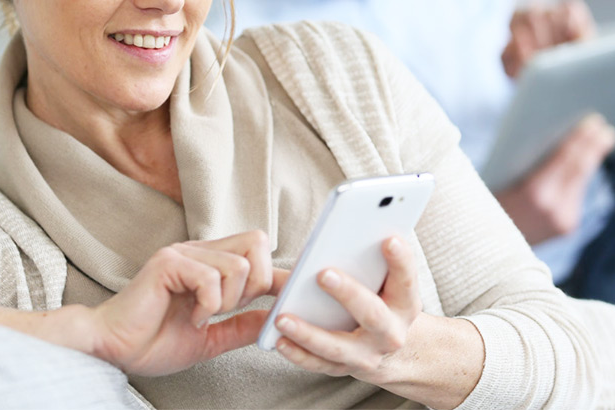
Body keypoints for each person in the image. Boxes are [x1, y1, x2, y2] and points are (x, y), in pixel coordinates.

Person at [0, 0, 614, 408]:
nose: (164, 3)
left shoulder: (330, 75)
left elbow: (580, 354)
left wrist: (408, 352)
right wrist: (87, 335)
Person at [206, 0, 615, 300]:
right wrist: (487, 232)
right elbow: (314, 260)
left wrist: (567, 46)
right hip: (522, 285)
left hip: (603, 196)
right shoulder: (230, 47)